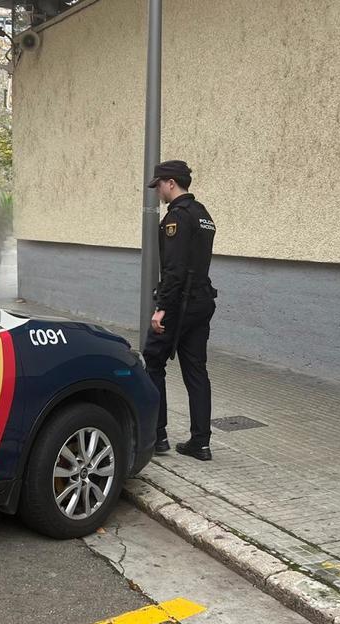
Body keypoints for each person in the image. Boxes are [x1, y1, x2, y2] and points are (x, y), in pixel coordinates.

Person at [142, 160, 218, 461]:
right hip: (202, 302)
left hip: (180, 304)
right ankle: (200, 443)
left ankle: (157, 437)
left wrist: (161, 309)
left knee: (153, 362)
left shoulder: (177, 218)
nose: (158, 191)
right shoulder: (204, 215)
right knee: (196, 370)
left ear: (170, 183)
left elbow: (174, 270)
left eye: (159, 185)